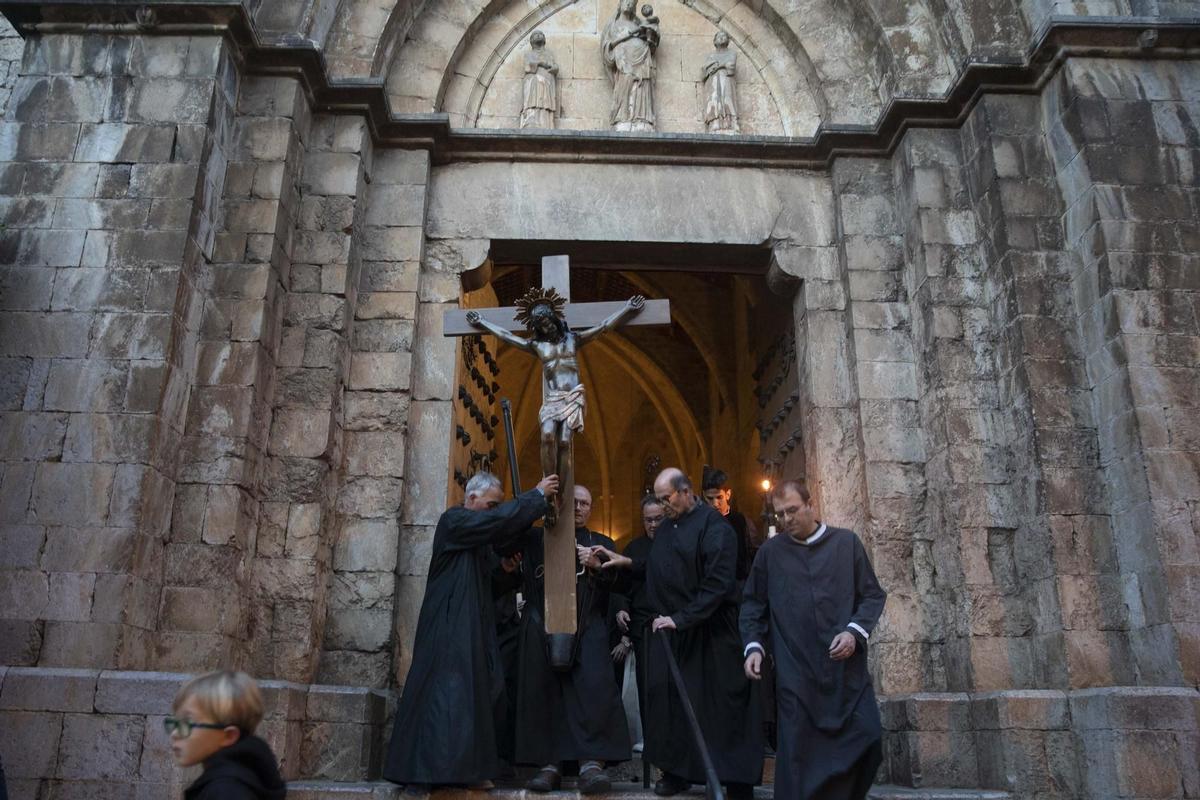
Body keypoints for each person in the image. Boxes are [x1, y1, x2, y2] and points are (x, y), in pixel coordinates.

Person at [586, 468, 763, 799]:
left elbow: (717, 584)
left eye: (665, 499)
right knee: (672, 707)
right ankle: (678, 773)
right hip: (675, 633)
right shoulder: (667, 529)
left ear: (685, 492)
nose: (661, 507)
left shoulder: (715, 527)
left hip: (711, 632)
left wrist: (681, 618)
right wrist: (621, 562)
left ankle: (732, 778)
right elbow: (655, 568)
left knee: (720, 706)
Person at [383, 471, 559, 792]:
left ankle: (471, 768)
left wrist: (504, 573)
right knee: (444, 698)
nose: (493, 511)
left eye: (497, 506)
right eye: (491, 505)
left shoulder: (477, 542)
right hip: (448, 628)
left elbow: (486, 586)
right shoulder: (455, 520)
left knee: (485, 694)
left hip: (473, 630)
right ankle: (425, 773)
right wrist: (534, 497)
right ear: (472, 499)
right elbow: (493, 524)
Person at [741, 480, 887, 800]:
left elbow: (872, 595)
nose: (787, 519)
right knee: (798, 759)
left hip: (845, 673)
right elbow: (753, 604)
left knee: (868, 739)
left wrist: (854, 631)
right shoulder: (770, 553)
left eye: (792, 510)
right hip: (796, 674)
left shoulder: (846, 544)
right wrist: (754, 646)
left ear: (810, 503)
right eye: (780, 514)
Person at [513, 485, 630, 794]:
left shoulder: (602, 543)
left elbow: (620, 583)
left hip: (588, 624)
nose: (579, 508)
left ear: (591, 509)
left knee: (594, 690)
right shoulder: (537, 538)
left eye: (585, 504)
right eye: (574, 502)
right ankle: (548, 765)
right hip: (544, 623)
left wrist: (597, 565)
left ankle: (591, 763)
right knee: (545, 693)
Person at [167, 670, 286, 800]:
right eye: (176, 722)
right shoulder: (234, 782)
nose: (175, 733)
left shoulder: (227, 792)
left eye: (188, 722)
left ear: (229, 736)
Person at [610, 494, 665, 729]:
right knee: (646, 686)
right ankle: (651, 742)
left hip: (673, 625)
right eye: (648, 520)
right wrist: (621, 610)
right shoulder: (634, 547)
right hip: (643, 628)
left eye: (657, 519)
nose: (652, 525)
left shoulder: (677, 545)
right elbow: (622, 587)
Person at [601, 0, 659, 131]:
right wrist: (625, 37)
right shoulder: (613, 24)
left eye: (632, 2)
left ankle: (641, 118)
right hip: (624, 61)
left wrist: (652, 33)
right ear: (620, 4)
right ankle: (623, 117)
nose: (629, 3)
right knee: (625, 84)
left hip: (642, 59)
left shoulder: (638, 24)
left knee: (641, 86)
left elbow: (651, 42)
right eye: (626, 1)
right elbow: (607, 45)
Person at [701, 465, 757, 582]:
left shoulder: (742, 521)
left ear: (728, 494)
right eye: (710, 499)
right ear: (704, 496)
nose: (715, 504)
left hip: (738, 585)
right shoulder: (700, 523)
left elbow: (751, 555)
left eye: (719, 497)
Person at [520, 30, 558, 129]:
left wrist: (554, 68)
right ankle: (531, 120)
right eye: (535, 35)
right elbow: (527, 67)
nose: (538, 35)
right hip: (533, 81)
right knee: (533, 101)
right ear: (531, 40)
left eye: (541, 34)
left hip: (547, 81)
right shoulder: (529, 54)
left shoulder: (549, 54)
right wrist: (540, 63)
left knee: (545, 101)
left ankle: (546, 122)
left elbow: (554, 66)